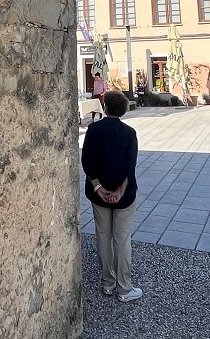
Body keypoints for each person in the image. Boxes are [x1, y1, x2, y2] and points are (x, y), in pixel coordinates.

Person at [81, 91, 142, 303]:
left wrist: (99, 188)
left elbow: (86, 161)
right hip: (123, 196)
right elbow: (129, 166)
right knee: (122, 240)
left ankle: (108, 282)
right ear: (124, 110)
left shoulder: (93, 129)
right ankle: (124, 288)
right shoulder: (129, 133)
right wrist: (120, 192)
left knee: (103, 237)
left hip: (98, 195)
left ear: (105, 107)